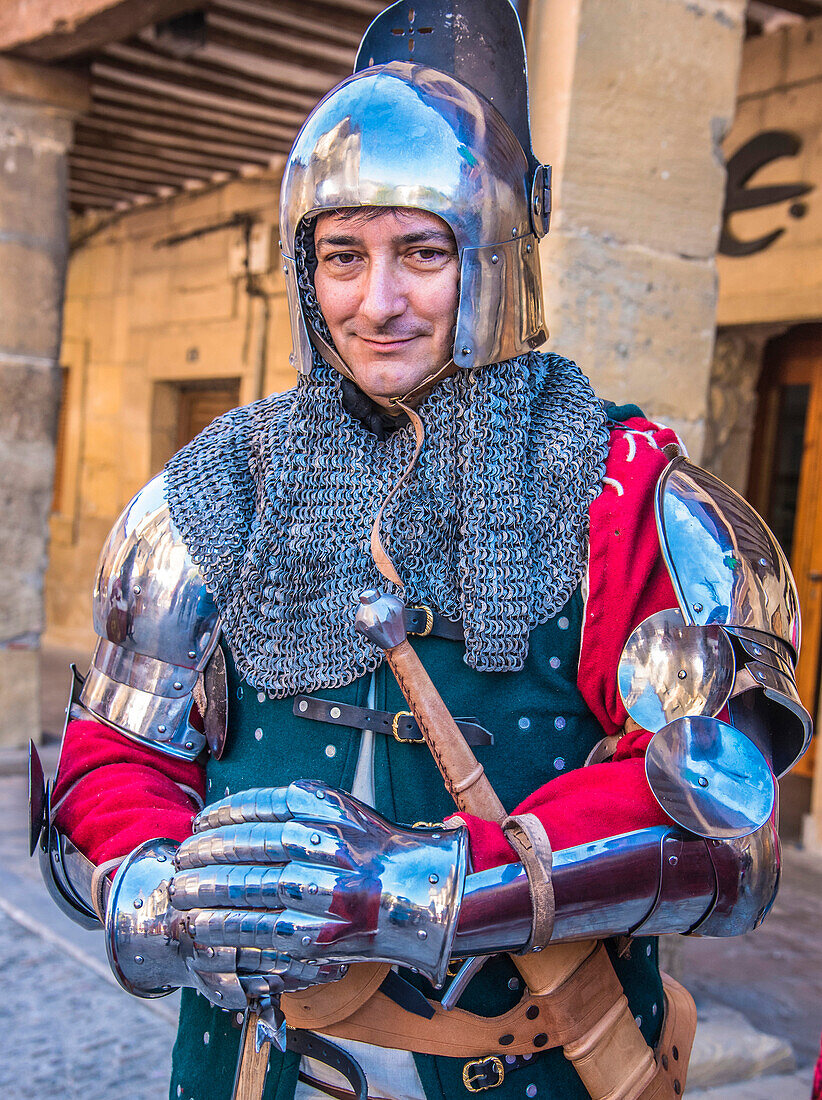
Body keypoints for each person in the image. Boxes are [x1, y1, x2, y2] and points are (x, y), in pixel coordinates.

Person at [31, 2, 810, 1099]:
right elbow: (114, 754)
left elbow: (730, 838)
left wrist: (413, 885)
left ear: (493, 258)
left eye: (422, 253)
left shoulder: (628, 495)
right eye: (343, 255)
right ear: (306, 267)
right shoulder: (217, 487)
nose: (377, 301)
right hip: (252, 1065)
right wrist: (162, 887)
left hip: (538, 1064)